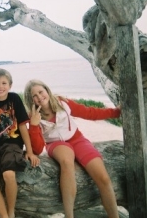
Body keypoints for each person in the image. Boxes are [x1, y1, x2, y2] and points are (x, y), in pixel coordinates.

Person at [23, 79, 120, 218]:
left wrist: (115, 113)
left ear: (47, 91)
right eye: (34, 96)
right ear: (30, 100)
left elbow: (89, 112)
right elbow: (38, 149)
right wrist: (33, 125)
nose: (39, 97)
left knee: (103, 178)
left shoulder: (63, 103)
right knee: (67, 161)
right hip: (55, 144)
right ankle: (69, 216)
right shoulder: (32, 117)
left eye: (41, 92)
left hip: (77, 139)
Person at [0, 68, 40, 218]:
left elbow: (23, 126)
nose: (0, 86)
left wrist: (29, 151)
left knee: (9, 174)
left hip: (13, 145)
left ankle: (11, 212)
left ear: (10, 85)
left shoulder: (15, 99)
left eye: (4, 83)